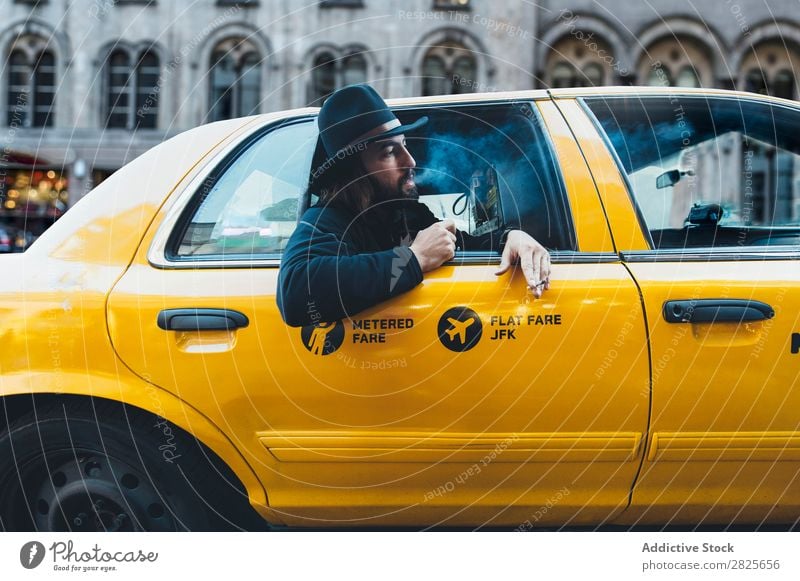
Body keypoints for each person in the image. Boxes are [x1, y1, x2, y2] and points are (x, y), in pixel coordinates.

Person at [277, 84, 550, 328]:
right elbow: (296, 292)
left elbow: (460, 248)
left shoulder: (408, 214)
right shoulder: (329, 219)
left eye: (404, 146)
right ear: (354, 170)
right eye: (389, 152)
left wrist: (510, 238)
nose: (410, 162)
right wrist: (414, 259)